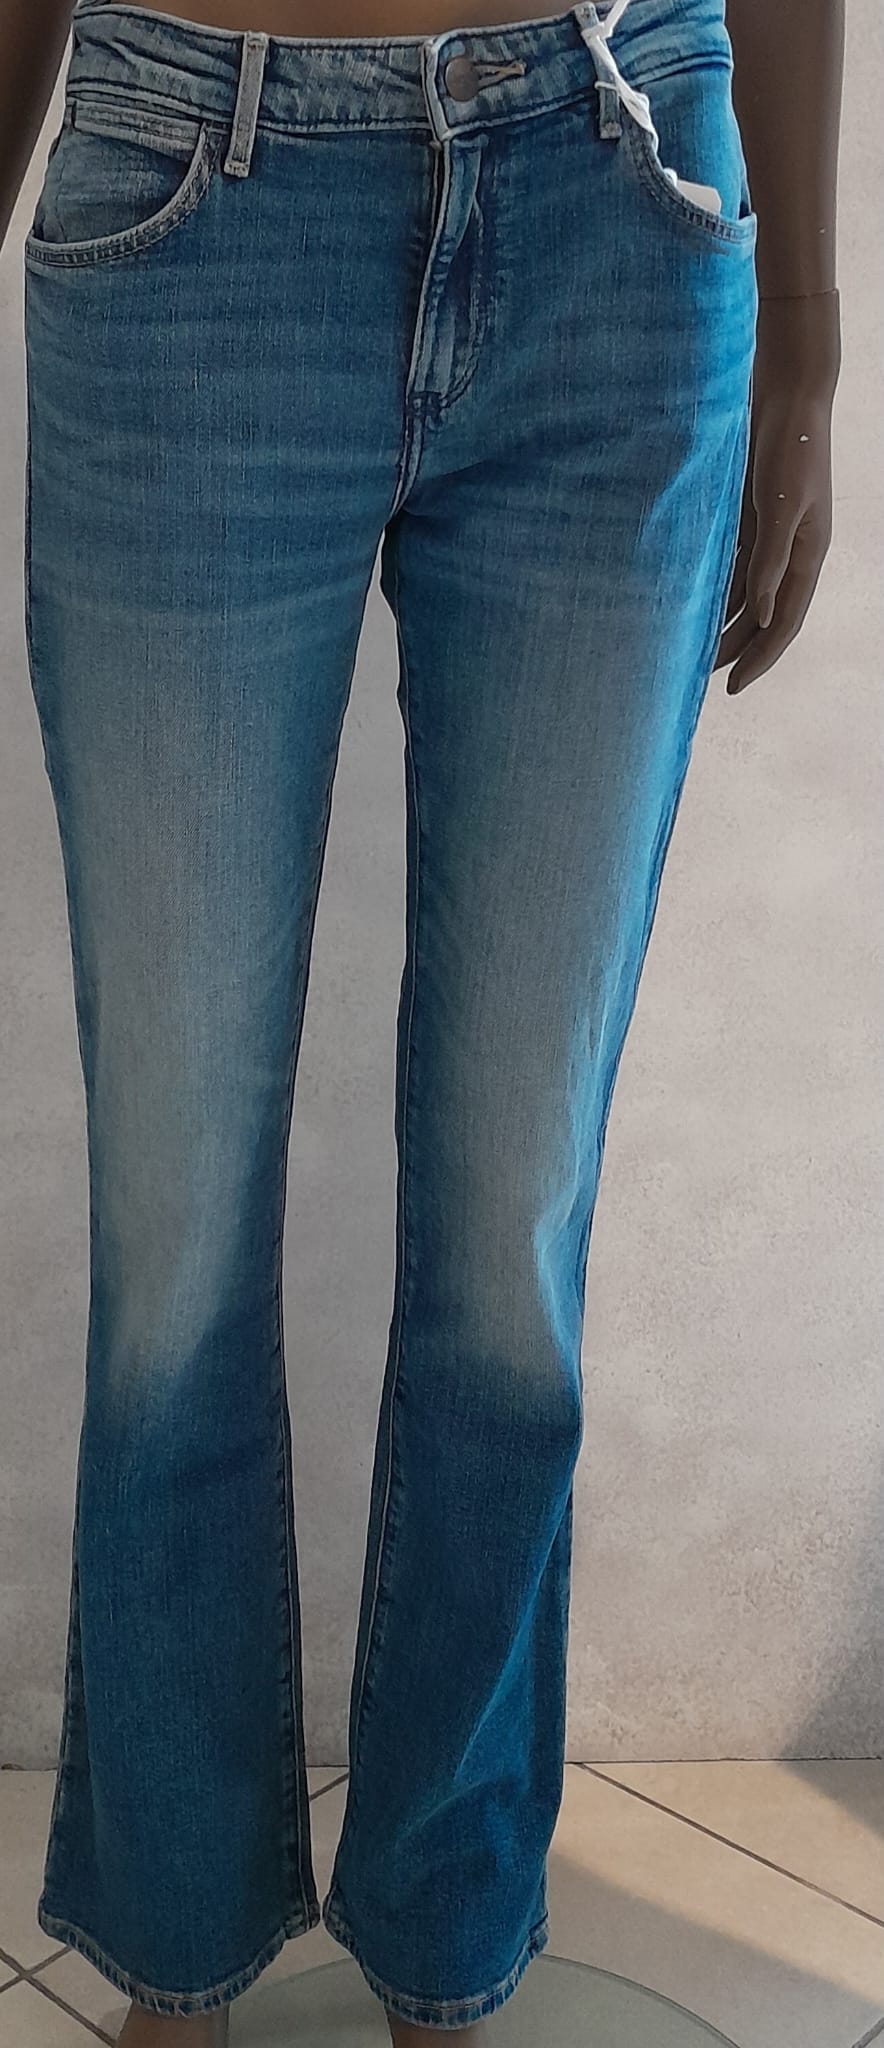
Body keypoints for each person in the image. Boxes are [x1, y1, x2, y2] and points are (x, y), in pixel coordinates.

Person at [1, 0, 842, 2041]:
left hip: (621, 186)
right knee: (176, 1239)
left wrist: (808, 325)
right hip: (192, 195)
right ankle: (178, 1943)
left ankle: (446, 1940)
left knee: (508, 1235)